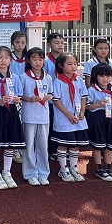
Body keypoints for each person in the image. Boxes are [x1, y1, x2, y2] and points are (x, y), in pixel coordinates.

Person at [0, 46, 25, 189]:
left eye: (6, 57)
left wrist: (17, 99)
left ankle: (7, 172)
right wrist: (0, 101)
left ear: (10, 60)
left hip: (11, 112)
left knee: (10, 144)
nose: (3, 60)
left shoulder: (14, 77)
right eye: (0, 57)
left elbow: (19, 94)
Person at [51, 52, 88, 183]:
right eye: (69, 64)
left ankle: (73, 167)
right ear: (61, 65)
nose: (73, 67)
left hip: (78, 119)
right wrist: (68, 114)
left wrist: (82, 111)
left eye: (75, 64)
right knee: (63, 144)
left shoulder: (79, 80)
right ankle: (63, 168)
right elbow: (56, 100)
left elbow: (83, 96)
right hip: (64, 119)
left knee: (75, 144)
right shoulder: (58, 81)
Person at [85, 63, 112, 182]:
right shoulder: (92, 90)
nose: (105, 79)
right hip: (98, 120)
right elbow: (86, 106)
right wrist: (98, 104)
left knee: (110, 144)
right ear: (96, 76)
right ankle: (99, 168)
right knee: (98, 144)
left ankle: (108, 167)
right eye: (102, 76)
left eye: (108, 76)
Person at [19, 47, 54, 186]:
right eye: (34, 59)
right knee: (29, 145)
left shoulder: (48, 77)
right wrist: (30, 99)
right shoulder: (24, 77)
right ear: (28, 60)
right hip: (29, 115)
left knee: (43, 145)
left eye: (40, 59)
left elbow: (51, 93)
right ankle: (30, 173)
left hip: (43, 116)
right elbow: (19, 95)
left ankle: (43, 172)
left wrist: (48, 96)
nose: (37, 62)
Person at [44, 32, 65, 160]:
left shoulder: (66, 59)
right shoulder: (46, 61)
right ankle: (52, 150)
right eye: (56, 43)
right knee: (51, 124)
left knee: (62, 123)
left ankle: (62, 148)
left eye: (62, 43)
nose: (60, 45)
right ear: (49, 44)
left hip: (64, 97)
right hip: (51, 98)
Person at [8, 30, 27, 165]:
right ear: (12, 43)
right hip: (13, 97)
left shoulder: (29, 58)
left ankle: (22, 148)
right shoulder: (9, 58)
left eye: (23, 42)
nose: (20, 45)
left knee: (25, 123)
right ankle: (14, 149)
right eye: (17, 42)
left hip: (27, 96)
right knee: (15, 123)